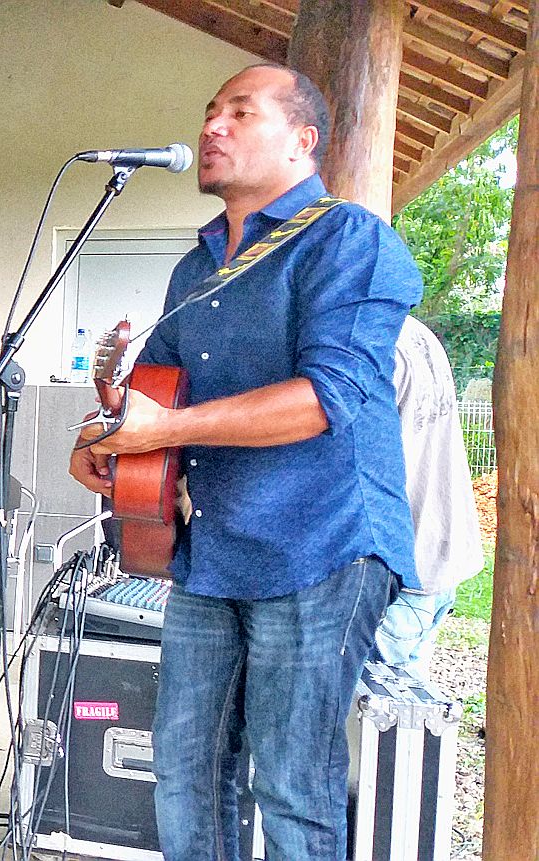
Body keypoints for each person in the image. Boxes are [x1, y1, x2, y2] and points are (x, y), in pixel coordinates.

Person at [69, 64, 421, 861]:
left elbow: (325, 397)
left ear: (302, 140)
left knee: (293, 788)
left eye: (240, 111)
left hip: (324, 544)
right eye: (208, 111)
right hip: (216, 550)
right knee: (182, 775)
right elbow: (148, 394)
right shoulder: (195, 268)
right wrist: (101, 439)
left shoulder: (350, 239)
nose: (211, 127)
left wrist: (166, 427)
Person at [374, 317, 484, 678]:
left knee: (363, 709)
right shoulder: (416, 332)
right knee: (404, 706)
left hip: (397, 578)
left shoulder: (368, 339)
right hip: (438, 561)